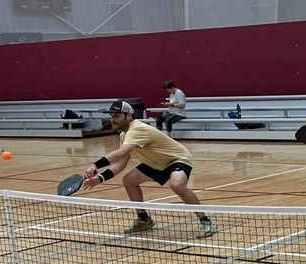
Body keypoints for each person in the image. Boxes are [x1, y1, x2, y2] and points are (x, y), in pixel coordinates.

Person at [82, 100, 216, 238]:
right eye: (112, 116)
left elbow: (122, 152)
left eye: (117, 115)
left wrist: (95, 165)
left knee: (177, 184)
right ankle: (144, 219)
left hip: (177, 159)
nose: (113, 119)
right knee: (129, 181)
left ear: (129, 116)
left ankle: (206, 221)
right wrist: (100, 178)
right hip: (156, 163)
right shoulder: (124, 135)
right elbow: (120, 163)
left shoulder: (137, 129)